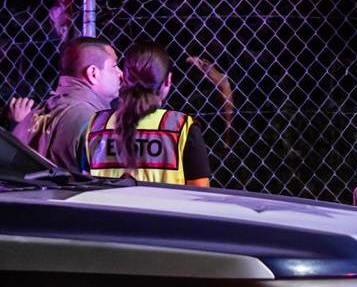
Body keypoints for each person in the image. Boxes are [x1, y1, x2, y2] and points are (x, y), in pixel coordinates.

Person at [80, 41, 212, 187]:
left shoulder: (96, 125)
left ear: (124, 79)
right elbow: (199, 191)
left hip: (107, 210)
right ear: (168, 80)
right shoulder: (182, 127)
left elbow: (85, 185)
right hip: (163, 210)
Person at [18, 36, 122, 169]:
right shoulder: (94, 122)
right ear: (93, 74)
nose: (121, 74)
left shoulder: (34, 114)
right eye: (114, 66)